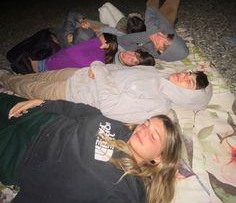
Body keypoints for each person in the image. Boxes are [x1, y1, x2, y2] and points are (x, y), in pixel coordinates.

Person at [0, 93, 182, 203]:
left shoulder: (130, 190)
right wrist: (42, 103)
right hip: (42, 117)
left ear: (158, 158)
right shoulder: (122, 129)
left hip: (23, 157)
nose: (143, 130)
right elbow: (84, 112)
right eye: (146, 123)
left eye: (154, 136)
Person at [0, 62, 213, 123]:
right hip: (81, 73)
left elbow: (111, 107)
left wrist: (100, 71)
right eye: (189, 73)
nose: (184, 75)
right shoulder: (157, 73)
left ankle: (5, 79)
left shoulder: (159, 105)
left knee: (26, 88)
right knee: (34, 78)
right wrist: (101, 67)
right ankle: (10, 77)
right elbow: (121, 70)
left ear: (189, 97)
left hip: (73, 92)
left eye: (190, 82)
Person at [117, 0, 189, 62]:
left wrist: (152, 33)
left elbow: (121, 40)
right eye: (169, 38)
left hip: (158, 26)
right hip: (166, 25)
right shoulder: (167, 34)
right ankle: (156, 11)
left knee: (153, 2)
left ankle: (155, 8)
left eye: (165, 41)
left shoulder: (143, 50)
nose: (164, 36)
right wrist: (156, 32)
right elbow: (183, 52)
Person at [30, 33, 118, 72]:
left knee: (23, 61)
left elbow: (72, 51)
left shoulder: (99, 58)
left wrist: (96, 41)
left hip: (48, 66)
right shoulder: (99, 52)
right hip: (52, 60)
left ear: (106, 44)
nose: (98, 37)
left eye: (101, 37)